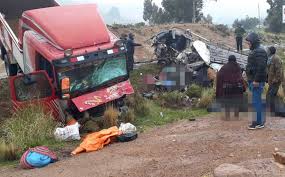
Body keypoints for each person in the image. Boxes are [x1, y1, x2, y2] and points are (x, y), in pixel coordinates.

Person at [245, 32, 268, 130]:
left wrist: (256, 80)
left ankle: (258, 123)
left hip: (256, 81)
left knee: (256, 102)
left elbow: (261, 67)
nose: (248, 44)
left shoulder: (260, 51)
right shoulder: (256, 50)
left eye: (249, 42)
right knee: (256, 101)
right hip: (253, 80)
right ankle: (260, 121)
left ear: (253, 41)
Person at [216, 55, 245, 120]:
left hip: (227, 88)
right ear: (235, 60)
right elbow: (240, 78)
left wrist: (219, 89)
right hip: (237, 88)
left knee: (227, 103)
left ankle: (227, 117)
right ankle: (236, 116)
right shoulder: (238, 67)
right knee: (236, 103)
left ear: (228, 59)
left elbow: (219, 77)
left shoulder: (224, 67)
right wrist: (243, 87)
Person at [266, 46, 283, 116]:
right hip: (272, 80)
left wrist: (276, 79)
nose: (267, 52)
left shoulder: (276, 58)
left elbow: (279, 70)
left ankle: (274, 112)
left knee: (271, 95)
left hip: (275, 81)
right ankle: (275, 110)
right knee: (270, 95)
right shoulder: (270, 58)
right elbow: (270, 70)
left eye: (268, 50)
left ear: (271, 51)